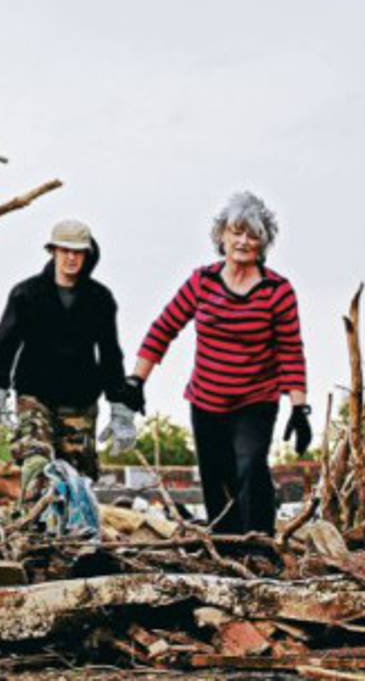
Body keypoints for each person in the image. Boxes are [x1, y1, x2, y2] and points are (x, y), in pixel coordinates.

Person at [130, 192, 311, 533]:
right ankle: (226, 548)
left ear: (263, 243)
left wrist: (300, 408)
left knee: (250, 465)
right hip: (206, 401)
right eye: (236, 232)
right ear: (222, 236)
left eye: (252, 235)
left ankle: (259, 543)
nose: (243, 241)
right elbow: (164, 328)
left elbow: (290, 350)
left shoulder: (277, 290)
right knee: (216, 479)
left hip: (255, 400)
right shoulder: (203, 282)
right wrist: (136, 380)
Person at [0, 219, 144, 485]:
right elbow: (4, 346)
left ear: (86, 255)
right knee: (35, 463)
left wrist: (120, 409)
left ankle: (72, 509)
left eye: (78, 252)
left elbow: (110, 355)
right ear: (53, 251)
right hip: (35, 395)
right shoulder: (26, 294)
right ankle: (34, 508)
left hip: (80, 400)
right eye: (65, 250)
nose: (71, 258)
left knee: (77, 481)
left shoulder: (99, 298)